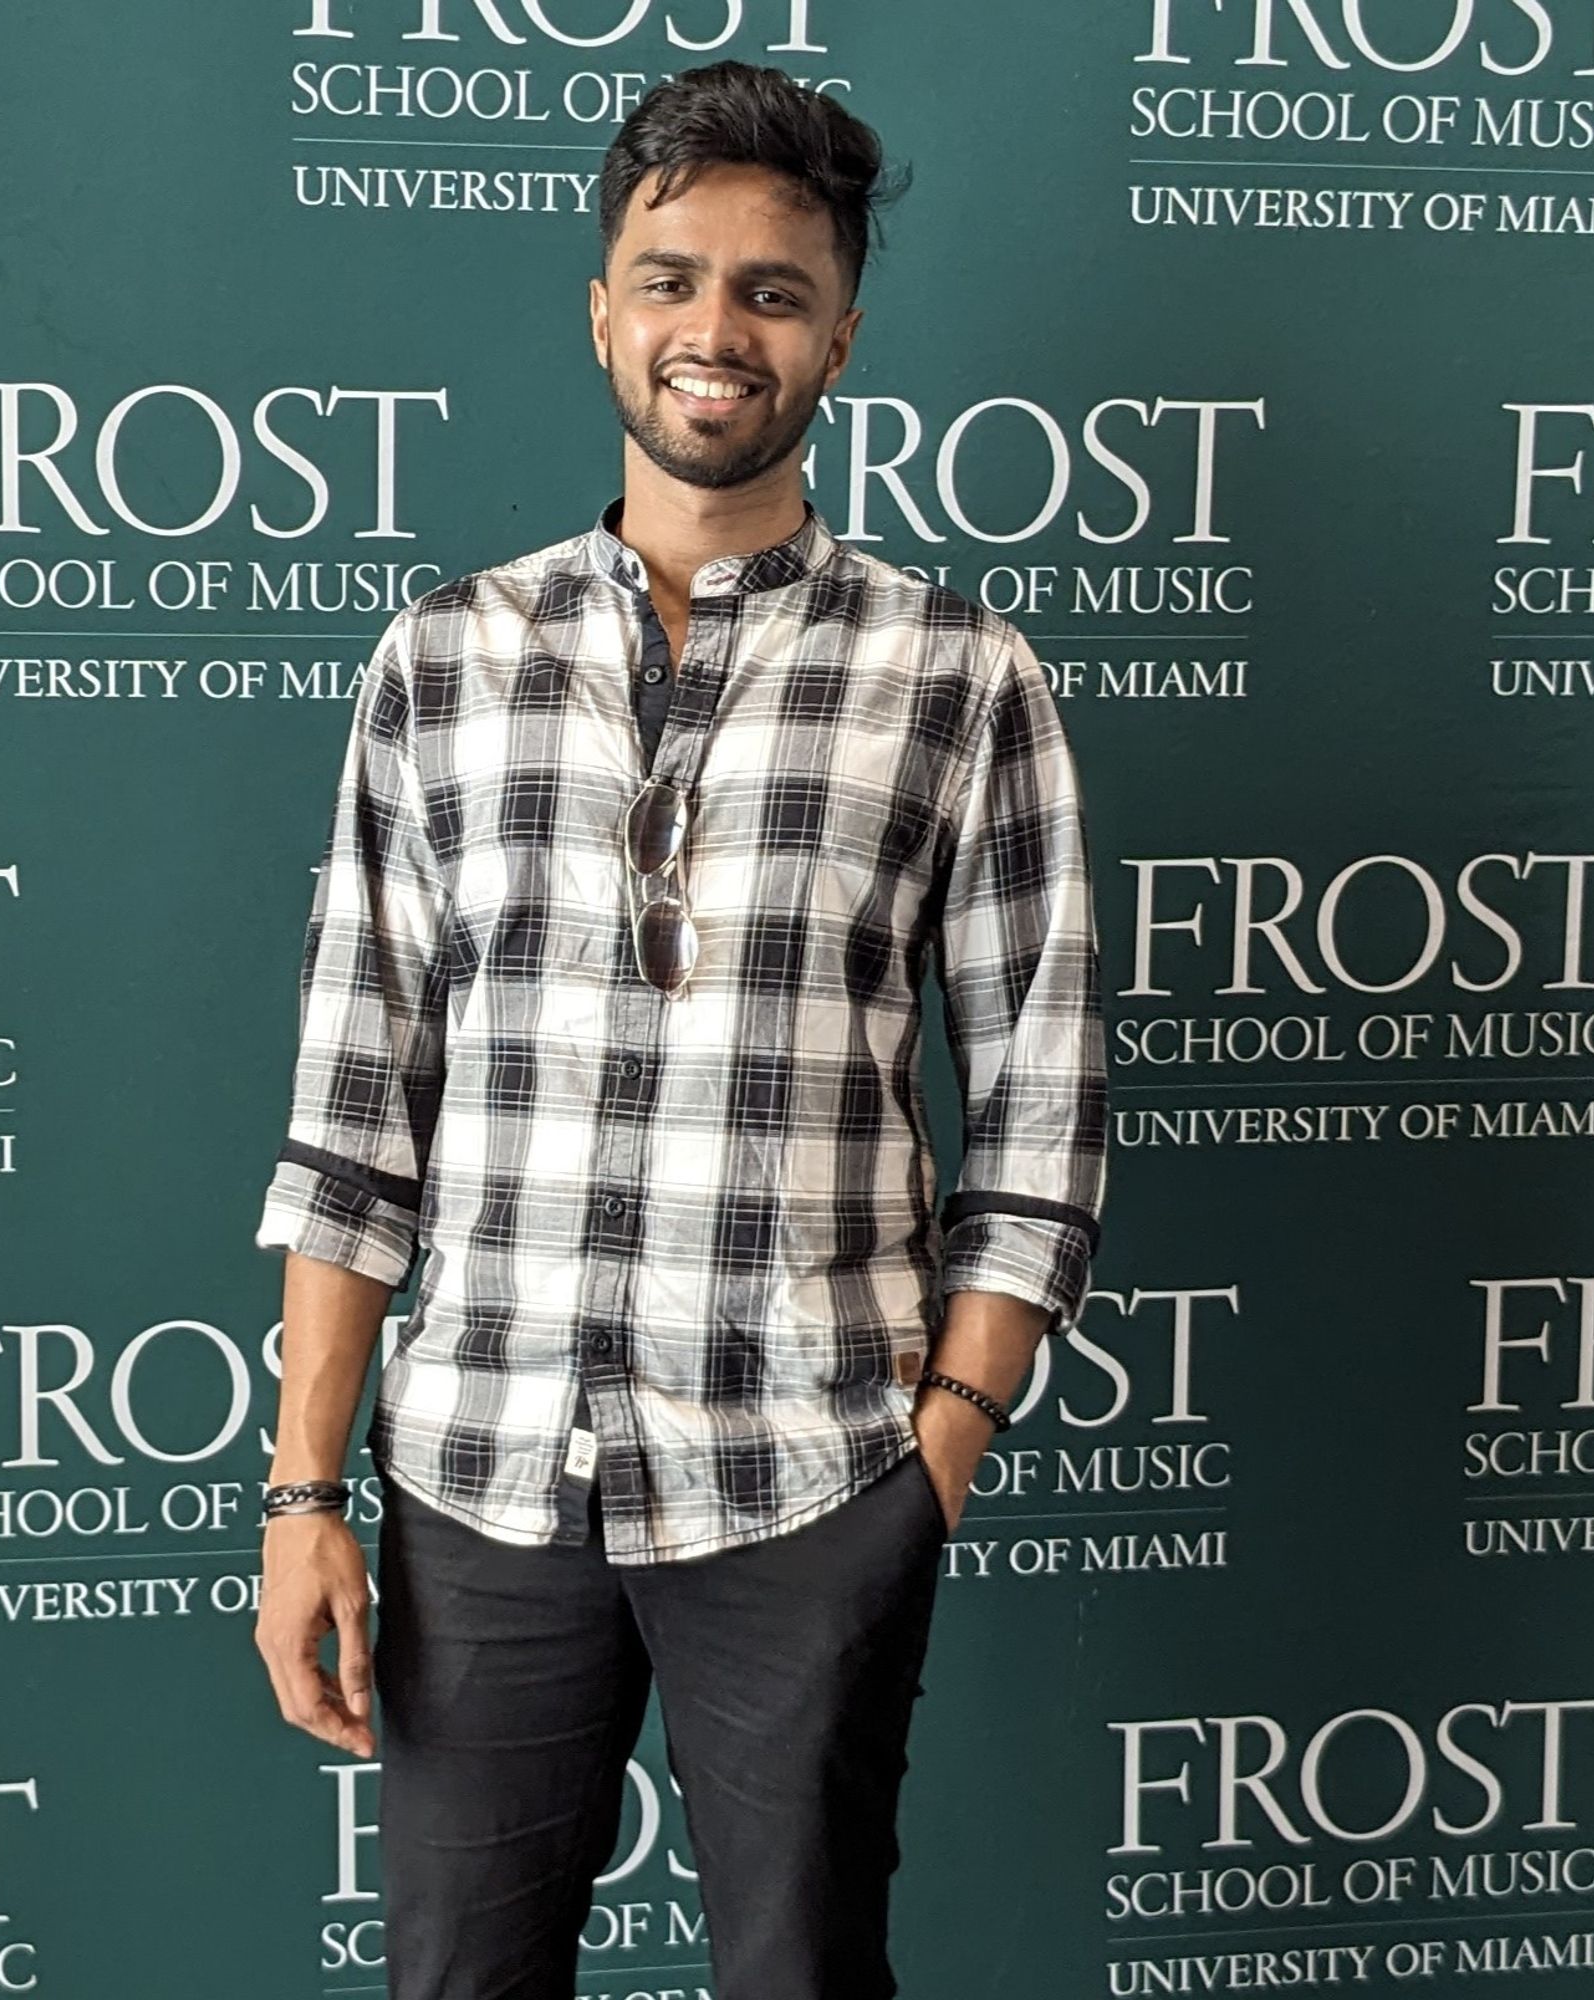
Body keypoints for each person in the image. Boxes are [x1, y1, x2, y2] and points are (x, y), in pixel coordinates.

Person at [251, 58, 1106, 2000]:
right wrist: (308, 1494)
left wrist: (930, 1466)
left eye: (771, 291)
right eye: (670, 277)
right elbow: (351, 1118)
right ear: (601, 305)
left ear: (839, 338)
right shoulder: (442, 662)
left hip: (810, 1473)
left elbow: (1043, 1123)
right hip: (475, 1472)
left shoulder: (962, 677)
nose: (714, 330)